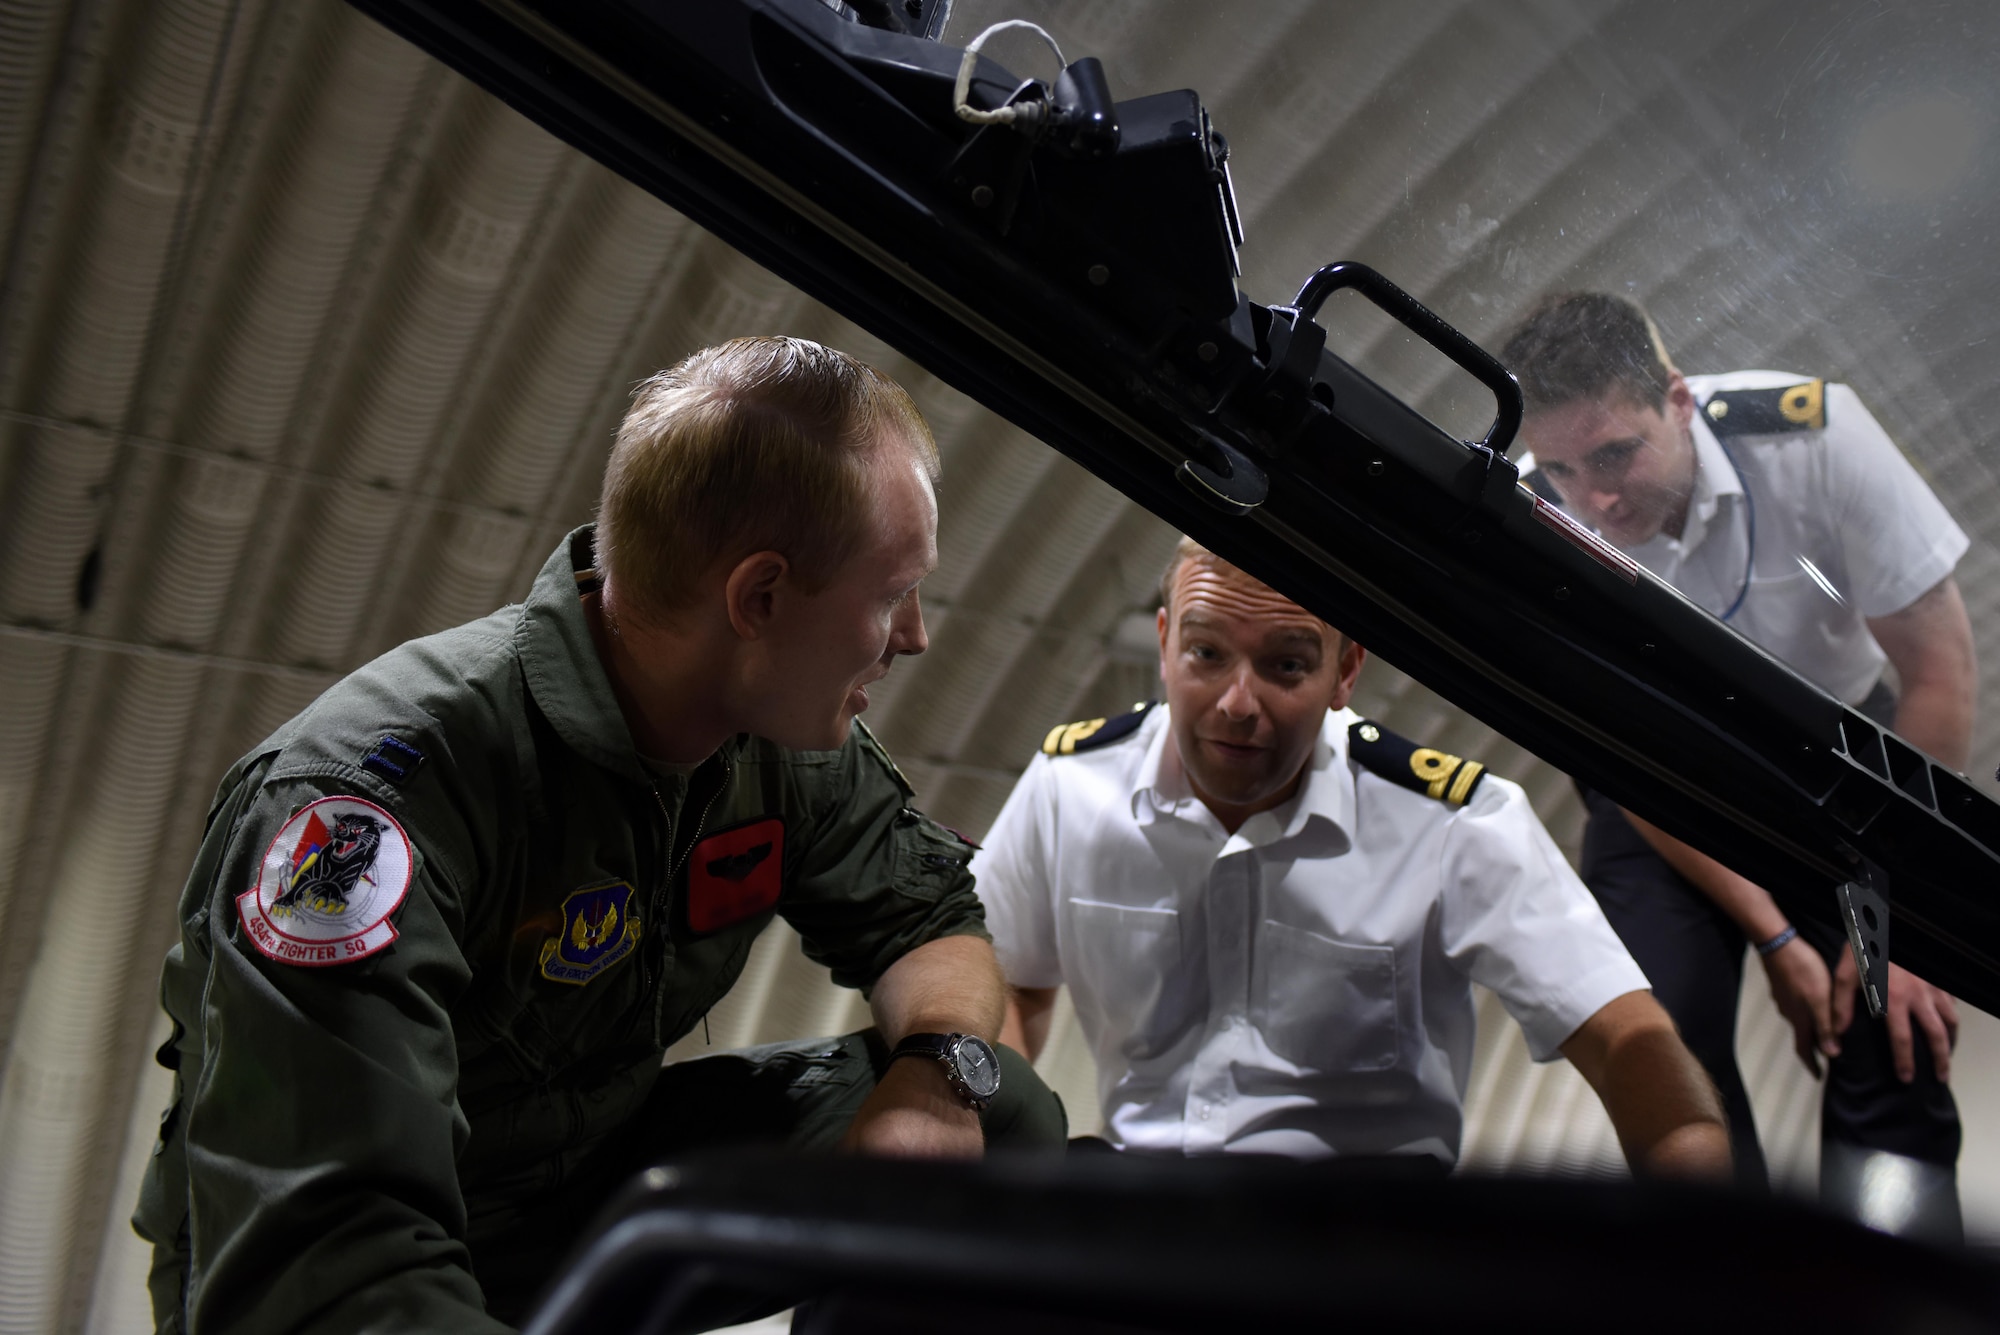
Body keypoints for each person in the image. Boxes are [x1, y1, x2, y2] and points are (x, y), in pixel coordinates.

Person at [134, 337, 1065, 1334]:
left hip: (575, 1189)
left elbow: (930, 922)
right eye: (891, 594)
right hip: (344, 1239)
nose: (915, 635)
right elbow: (332, 1243)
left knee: (997, 1112)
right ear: (756, 599)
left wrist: (933, 1080)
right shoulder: (367, 806)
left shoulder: (780, 746)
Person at [974, 538, 1730, 1176]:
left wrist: (1692, 1240)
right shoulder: (1071, 786)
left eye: (1287, 665)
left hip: (1362, 1257)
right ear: (1165, 644)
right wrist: (1017, 1155)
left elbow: (1631, 1040)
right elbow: (1004, 984)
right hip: (1144, 1226)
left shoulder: (1451, 823)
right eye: (1205, 652)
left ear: (1346, 671)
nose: (1239, 701)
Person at [1501, 292, 1972, 1237]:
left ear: (1678, 401)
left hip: (1851, 779)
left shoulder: (1816, 437)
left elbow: (1939, 674)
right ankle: (1741, 1287)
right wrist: (1777, 937)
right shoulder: (1533, 509)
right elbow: (1621, 756)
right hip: (1662, 784)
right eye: (1559, 465)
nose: (1592, 497)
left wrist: (1896, 921)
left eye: (1614, 454)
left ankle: (1891, 1289)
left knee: (1892, 1023)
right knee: (1662, 1033)